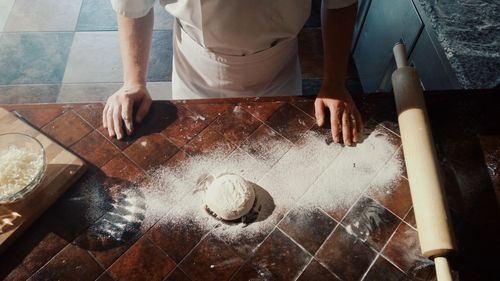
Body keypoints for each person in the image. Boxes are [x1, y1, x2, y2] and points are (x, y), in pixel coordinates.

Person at [103, 0, 363, 145]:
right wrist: (133, 81)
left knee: (275, 150)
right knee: (199, 151)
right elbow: (133, 5)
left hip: (277, 69)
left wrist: (334, 83)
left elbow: (340, 3)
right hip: (197, 70)